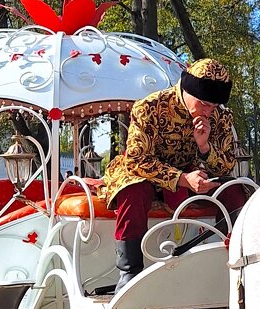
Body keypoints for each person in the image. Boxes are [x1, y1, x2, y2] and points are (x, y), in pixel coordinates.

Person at [102, 58, 238, 291]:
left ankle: (233, 262)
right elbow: (136, 159)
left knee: (234, 190)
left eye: (214, 106)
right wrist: (183, 179)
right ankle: (130, 273)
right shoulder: (149, 107)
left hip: (193, 177)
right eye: (204, 103)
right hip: (144, 173)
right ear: (186, 89)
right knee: (133, 190)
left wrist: (205, 148)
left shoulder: (221, 118)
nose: (208, 111)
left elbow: (227, 166)